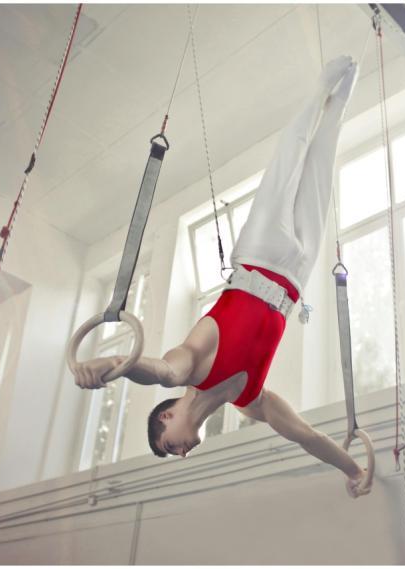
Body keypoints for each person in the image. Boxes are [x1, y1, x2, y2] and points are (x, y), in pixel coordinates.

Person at [73, 55, 370, 498]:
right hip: (294, 277)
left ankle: (321, 87)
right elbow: (307, 436)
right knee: (320, 171)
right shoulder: (251, 402)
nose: (180, 453)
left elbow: (157, 371)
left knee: (290, 160)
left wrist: (109, 367)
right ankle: (341, 99)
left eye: (168, 446)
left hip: (258, 256)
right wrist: (352, 470)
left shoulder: (189, 370)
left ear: (167, 417)